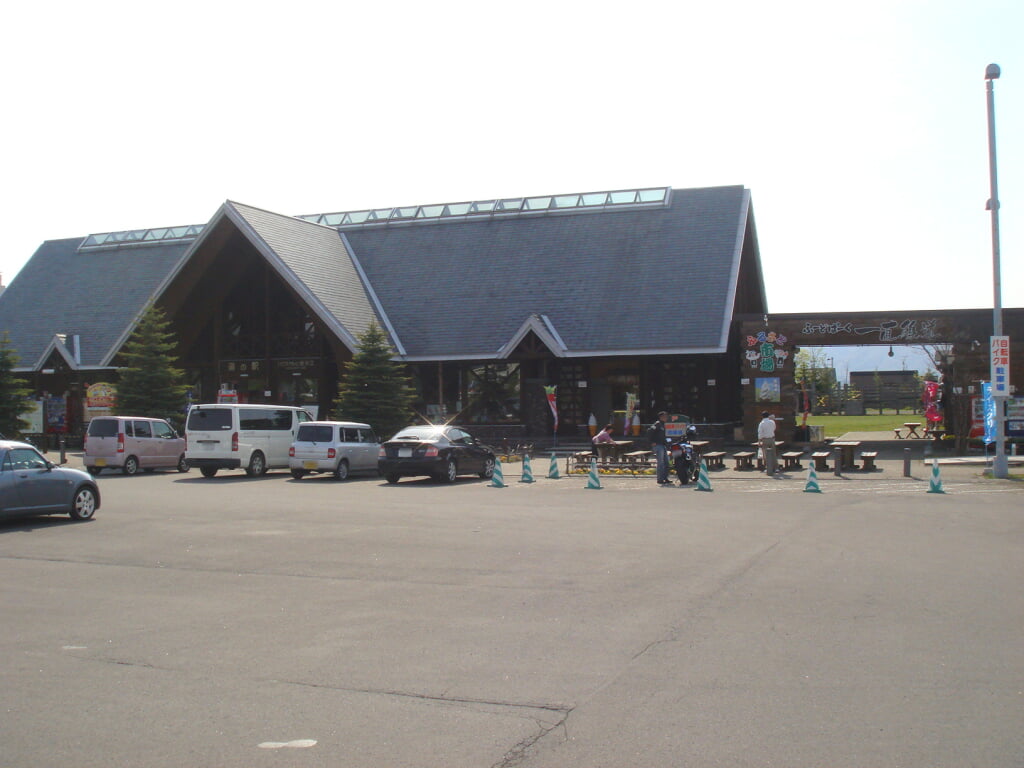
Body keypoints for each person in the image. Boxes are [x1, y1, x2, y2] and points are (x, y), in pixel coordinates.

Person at [648, 411, 670, 484]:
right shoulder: (657, 424)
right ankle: (660, 479)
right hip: (658, 445)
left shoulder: (663, 425)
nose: (666, 417)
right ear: (661, 417)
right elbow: (649, 431)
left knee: (666, 462)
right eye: (665, 416)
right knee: (660, 463)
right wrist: (652, 441)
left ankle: (665, 478)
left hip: (663, 445)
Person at [758, 410, 778, 475]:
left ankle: (767, 467)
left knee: (765, 454)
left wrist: (759, 441)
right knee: (773, 453)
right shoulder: (772, 422)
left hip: (765, 439)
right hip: (772, 438)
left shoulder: (762, 423)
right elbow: (774, 428)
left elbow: (760, 433)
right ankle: (776, 467)